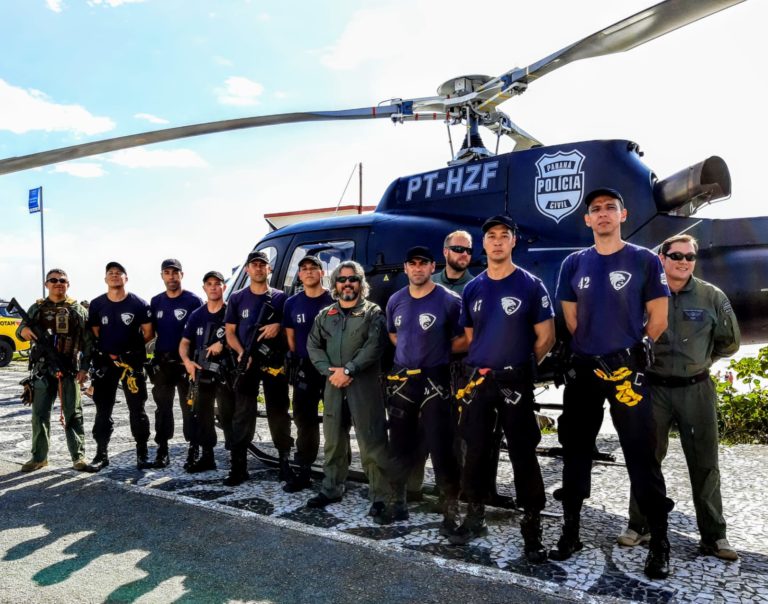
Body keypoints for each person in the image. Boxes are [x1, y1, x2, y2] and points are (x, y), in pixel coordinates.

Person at [552, 187, 674, 579]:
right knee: (575, 451)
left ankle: (659, 542)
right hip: (585, 372)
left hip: (627, 374)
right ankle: (571, 532)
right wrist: (591, 353)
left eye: (610, 208)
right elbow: (572, 320)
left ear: (623, 215)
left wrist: (632, 353)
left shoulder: (644, 260)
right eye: (596, 209)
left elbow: (658, 318)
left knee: (641, 454)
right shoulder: (574, 263)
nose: (603, 213)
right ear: (587, 219)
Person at [618, 234, 740, 561]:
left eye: (690, 256)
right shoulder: (642, 294)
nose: (684, 262)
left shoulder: (711, 296)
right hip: (653, 388)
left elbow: (729, 342)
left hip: (695, 390)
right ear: (662, 258)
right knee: (646, 460)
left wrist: (699, 362)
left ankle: (714, 536)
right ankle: (639, 525)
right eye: (676, 256)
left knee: (705, 464)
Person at [449, 215, 555, 563]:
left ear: (513, 241)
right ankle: (474, 515)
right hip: (480, 382)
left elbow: (546, 337)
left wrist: (519, 365)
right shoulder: (473, 288)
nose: (497, 241)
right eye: (491, 236)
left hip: (515, 383)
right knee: (476, 450)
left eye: (503, 235)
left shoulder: (531, 285)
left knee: (523, 452)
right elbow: (470, 337)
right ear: (484, 244)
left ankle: (532, 524)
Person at [305, 260, 393, 524]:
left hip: (363, 385)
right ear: (335, 284)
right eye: (342, 279)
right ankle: (332, 487)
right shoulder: (326, 315)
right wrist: (329, 371)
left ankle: (380, 496)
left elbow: (374, 346)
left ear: (361, 283)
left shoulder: (372, 313)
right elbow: (313, 345)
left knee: (371, 440)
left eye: (352, 279)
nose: (347, 284)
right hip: (333, 384)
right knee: (333, 439)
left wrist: (349, 370)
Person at [385, 246, 465, 528]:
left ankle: (450, 506)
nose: (417, 268)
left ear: (433, 267)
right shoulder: (396, 300)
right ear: (406, 268)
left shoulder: (449, 300)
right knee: (399, 443)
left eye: (423, 263)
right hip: (403, 379)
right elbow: (393, 334)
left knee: (442, 445)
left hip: (436, 379)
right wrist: (412, 351)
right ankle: (397, 501)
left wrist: (436, 350)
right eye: (413, 264)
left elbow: (465, 338)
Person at [16, 269, 97, 473]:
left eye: (62, 280)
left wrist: (84, 368)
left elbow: (89, 342)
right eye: (53, 280)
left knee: (73, 414)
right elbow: (20, 330)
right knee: (39, 415)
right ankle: (39, 458)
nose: (58, 283)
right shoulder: (36, 308)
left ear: (68, 284)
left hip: (69, 369)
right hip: (42, 370)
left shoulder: (77, 310)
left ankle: (79, 457)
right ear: (47, 284)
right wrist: (23, 331)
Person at [224, 250, 293, 486]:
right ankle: (238, 466)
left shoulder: (281, 298)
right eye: (254, 265)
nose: (259, 268)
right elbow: (230, 333)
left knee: (279, 411)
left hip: (274, 363)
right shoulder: (237, 298)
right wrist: (241, 352)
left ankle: (284, 462)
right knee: (243, 413)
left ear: (269, 269)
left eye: (263, 265)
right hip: (247, 362)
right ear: (247, 270)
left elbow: (290, 327)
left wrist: (277, 326)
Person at [87, 262, 154, 470]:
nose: (115, 275)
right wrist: (109, 351)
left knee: (137, 408)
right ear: (105, 279)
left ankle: (142, 453)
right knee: (103, 409)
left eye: (119, 273)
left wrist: (130, 351)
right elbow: (96, 332)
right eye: (111, 273)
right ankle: (101, 454)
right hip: (105, 364)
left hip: (131, 363)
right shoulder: (97, 304)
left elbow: (148, 333)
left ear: (126, 278)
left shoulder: (139, 304)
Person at [281, 255, 334, 492]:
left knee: (337, 421)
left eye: (314, 268)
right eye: (304, 269)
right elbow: (290, 337)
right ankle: (304, 470)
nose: (309, 271)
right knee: (304, 421)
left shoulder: (334, 299)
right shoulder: (291, 303)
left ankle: (337, 473)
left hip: (332, 369)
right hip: (305, 368)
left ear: (322, 273)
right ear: (299, 275)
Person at [179, 271, 235, 473]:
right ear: (204, 288)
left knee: (229, 415)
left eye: (217, 283)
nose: (213, 287)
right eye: (209, 284)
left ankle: (235, 457)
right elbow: (184, 343)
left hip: (226, 373)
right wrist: (187, 362)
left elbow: (241, 337)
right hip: (202, 372)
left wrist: (223, 343)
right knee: (203, 415)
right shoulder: (197, 315)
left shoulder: (231, 312)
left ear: (224, 287)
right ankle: (207, 456)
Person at [149, 259, 203, 469]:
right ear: (162, 276)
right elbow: (150, 332)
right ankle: (162, 450)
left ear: (182, 275)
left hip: (186, 364)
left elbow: (200, 332)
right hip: (163, 363)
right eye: (167, 272)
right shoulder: (156, 301)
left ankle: (194, 448)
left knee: (190, 407)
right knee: (162, 408)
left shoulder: (193, 300)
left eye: (175, 272)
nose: (171, 276)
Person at [431, 230, 474, 294]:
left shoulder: (477, 287)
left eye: (468, 250)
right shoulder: (429, 283)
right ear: (445, 252)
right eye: (458, 249)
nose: (465, 254)